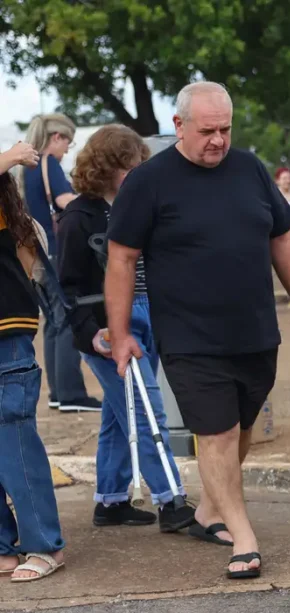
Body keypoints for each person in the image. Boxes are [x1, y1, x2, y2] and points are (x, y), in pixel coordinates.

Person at [105, 81, 290, 579]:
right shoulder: (148, 182)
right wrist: (120, 333)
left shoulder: (250, 169)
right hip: (189, 335)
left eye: (226, 129)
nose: (218, 140)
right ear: (179, 126)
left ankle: (207, 511)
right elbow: (121, 259)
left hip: (254, 330)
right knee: (216, 432)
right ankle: (243, 538)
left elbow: (282, 237)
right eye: (207, 131)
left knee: (240, 427)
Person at [56, 125, 196, 531]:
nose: (135, 173)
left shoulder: (139, 204)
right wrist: (91, 333)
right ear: (107, 167)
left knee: (122, 413)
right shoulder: (79, 217)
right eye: (128, 166)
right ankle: (171, 499)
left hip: (149, 315)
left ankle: (111, 499)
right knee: (145, 408)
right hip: (106, 326)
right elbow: (68, 287)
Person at [0, 141, 67, 582]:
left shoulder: (9, 216)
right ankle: (4, 549)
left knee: (16, 445)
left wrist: (12, 154)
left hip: (7, 337)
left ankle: (45, 545)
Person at [22, 113, 100, 412]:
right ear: (56, 137)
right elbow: (65, 200)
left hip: (37, 253)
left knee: (53, 324)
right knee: (67, 319)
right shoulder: (49, 163)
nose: (68, 148)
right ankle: (71, 394)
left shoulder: (27, 167)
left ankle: (58, 391)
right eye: (68, 141)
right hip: (56, 250)